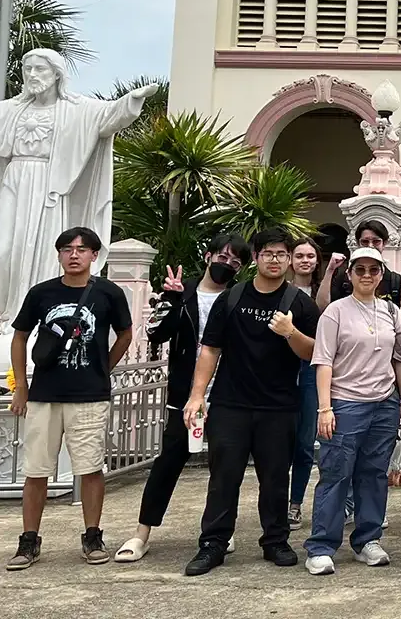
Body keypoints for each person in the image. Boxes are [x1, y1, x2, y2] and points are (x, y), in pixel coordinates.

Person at [181, 228, 320, 576]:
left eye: (282, 254)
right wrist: (197, 395)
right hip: (231, 404)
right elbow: (210, 348)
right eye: (268, 253)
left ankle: (275, 540)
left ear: (289, 260)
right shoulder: (232, 298)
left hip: (279, 406)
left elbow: (315, 352)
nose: (275, 260)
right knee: (223, 477)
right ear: (255, 258)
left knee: (275, 478)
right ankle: (213, 542)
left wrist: (291, 332)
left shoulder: (299, 303)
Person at [0, 49, 158, 323]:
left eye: (40, 69)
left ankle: (34, 316)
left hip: (50, 186)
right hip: (14, 179)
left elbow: (108, 116)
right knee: (3, 249)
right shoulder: (10, 109)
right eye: (28, 69)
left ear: (57, 74)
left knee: (45, 247)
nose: (32, 75)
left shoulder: (76, 109)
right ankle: (4, 313)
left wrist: (132, 99)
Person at [114, 234, 249, 563]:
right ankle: (141, 533)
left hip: (227, 396)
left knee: (224, 468)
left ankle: (219, 532)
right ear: (208, 255)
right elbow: (155, 333)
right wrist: (171, 301)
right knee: (167, 463)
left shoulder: (237, 298)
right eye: (223, 257)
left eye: (235, 262)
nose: (227, 265)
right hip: (183, 395)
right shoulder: (183, 292)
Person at [5, 227, 133, 570]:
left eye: (82, 249)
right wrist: (20, 385)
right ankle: (29, 540)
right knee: (36, 470)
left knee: (90, 468)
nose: (74, 255)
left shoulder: (108, 292)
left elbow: (125, 333)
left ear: (94, 255)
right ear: (59, 254)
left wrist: (104, 367)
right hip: (45, 395)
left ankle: (92, 535)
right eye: (67, 249)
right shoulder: (41, 293)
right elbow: (19, 336)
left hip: (89, 395)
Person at [304, 247, 401, 575]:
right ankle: (321, 546)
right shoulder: (335, 312)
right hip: (345, 403)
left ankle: (368, 539)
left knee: (374, 475)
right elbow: (323, 362)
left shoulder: (391, 312)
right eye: (360, 270)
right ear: (348, 275)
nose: (367, 275)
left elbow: (400, 359)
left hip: (383, 404)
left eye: (373, 270)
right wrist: (325, 408)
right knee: (336, 474)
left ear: (381, 276)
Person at [289, 237, 324, 530]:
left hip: (312, 368)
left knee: (304, 441)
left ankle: (294, 504)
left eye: (310, 255)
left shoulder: (324, 290)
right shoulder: (278, 291)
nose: (305, 260)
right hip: (279, 370)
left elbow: (324, 314)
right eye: (299, 255)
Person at [317, 221, 401, 311]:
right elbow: (323, 307)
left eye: (376, 242)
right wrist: (330, 270)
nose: (370, 246)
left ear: (385, 243)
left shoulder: (395, 282)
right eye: (365, 241)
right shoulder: (344, 280)